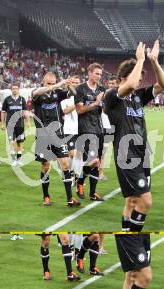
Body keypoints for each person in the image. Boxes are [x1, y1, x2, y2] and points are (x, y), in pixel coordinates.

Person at [105, 40, 164, 232]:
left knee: (132, 201)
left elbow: (163, 85)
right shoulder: (112, 95)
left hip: (142, 152)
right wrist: (140, 59)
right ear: (123, 76)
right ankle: (133, 238)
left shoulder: (138, 97)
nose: (140, 80)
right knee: (146, 201)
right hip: (127, 154)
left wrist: (154, 61)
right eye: (138, 76)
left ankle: (126, 235)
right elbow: (131, 83)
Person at [31, 72, 81, 207]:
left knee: (66, 165)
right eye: (49, 83)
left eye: (53, 83)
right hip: (43, 136)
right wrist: (59, 84)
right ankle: (46, 196)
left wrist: (70, 85)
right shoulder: (36, 93)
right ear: (43, 82)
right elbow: (41, 91)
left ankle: (70, 198)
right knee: (45, 166)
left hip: (58, 134)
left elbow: (74, 94)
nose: (52, 86)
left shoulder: (58, 93)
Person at [74, 63, 106, 201]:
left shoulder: (101, 89)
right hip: (86, 129)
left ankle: (93, 193)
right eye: (96, 73)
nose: (98, 76)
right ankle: (80, 181)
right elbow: (79, 110)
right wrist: (95, 102)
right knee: (93, 161)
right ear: (89, 72)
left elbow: (103, 110)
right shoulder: (80, 89)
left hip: (99, 128)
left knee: (97, 163)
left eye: (100, 74)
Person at [0, 82, 30, 167]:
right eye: (13, 88)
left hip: (20, 124)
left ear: (18, 89)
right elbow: (3, 112)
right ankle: (13, 160)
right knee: (11, 142)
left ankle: (19, 160)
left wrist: (27, 122)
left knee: (19, 143)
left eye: (16, 88)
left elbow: (25, 111)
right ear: (11, 90)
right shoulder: (7, 99)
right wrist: (2, 123)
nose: (15, 90)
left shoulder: (22, 99)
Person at [60, 75, 81, 184]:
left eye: (78, 83)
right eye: (74, 83)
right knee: (72, 153)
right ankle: (71, 174)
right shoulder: (65, 97)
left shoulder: (83, 96)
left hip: (82, 129)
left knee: (79, 155)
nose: (76, 85)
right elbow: (66, 110)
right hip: (69, 130)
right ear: (70, 84)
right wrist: (77, 104)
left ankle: (75, 175)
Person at [99, 76, 117, 181]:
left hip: (114, 126)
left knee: (106, 151)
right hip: (104, 126)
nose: (111, 85)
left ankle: (100, 173)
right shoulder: (103, 95)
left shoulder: (120, 96)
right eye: (110, 83)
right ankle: (98, 173)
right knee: (101, 151)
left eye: (114, 83)